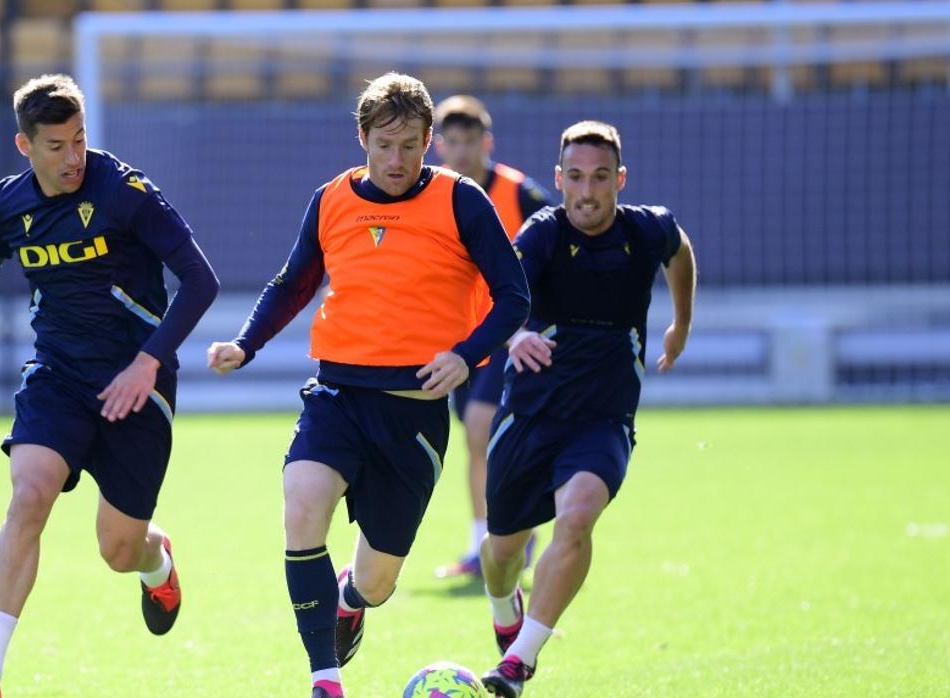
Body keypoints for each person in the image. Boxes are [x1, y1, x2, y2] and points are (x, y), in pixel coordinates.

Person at [0, 74, 219, 698]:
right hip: (56, 374)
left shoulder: (127, 192)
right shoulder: (11, 202)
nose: (73, 157)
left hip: (138, 385)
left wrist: (148, 362)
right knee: (29, 495)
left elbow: (201, 280)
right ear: (26, 146)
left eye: (80, 140)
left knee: (117, 549)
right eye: (57, 145)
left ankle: (156, 560)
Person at [206, 73, 529, 698]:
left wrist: (466, 356)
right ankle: (325, 679)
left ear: (430, 141)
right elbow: (293, 283)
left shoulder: (462, 202)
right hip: (335, 398)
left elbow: (514, 296)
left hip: (413, 417)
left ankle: (352, 596)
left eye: (410, 145)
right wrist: (246, 342)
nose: (396, 159)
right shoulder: (330, 199)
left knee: (377, 583)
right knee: (301, 509)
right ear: (362, 138)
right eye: (384, 144)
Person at [477, 121, 697, 697]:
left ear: (619, 180)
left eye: (600, 178)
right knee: (500, 554)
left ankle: (517, 663)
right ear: (558, 178)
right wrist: (515, 335)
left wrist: (681, 322)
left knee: (576, 518)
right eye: (575, 177)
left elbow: (680, 251)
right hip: (530, 417)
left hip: (603, 418)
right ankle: (504, 605)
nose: (587, 192)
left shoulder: (647, 229)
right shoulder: (542, 233)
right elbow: (500, 296)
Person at [431, 94, 552, 581]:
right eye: (452, 142)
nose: (461, 152)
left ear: (488, 142)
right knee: (476, 439)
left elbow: (555, 248)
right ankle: (489, 540)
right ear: (438, 145)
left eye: (470, 141)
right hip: (461, 332)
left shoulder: (522, 194)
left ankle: (498, 539)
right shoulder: (434, 193)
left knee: (482, 427)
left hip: (513, 330)